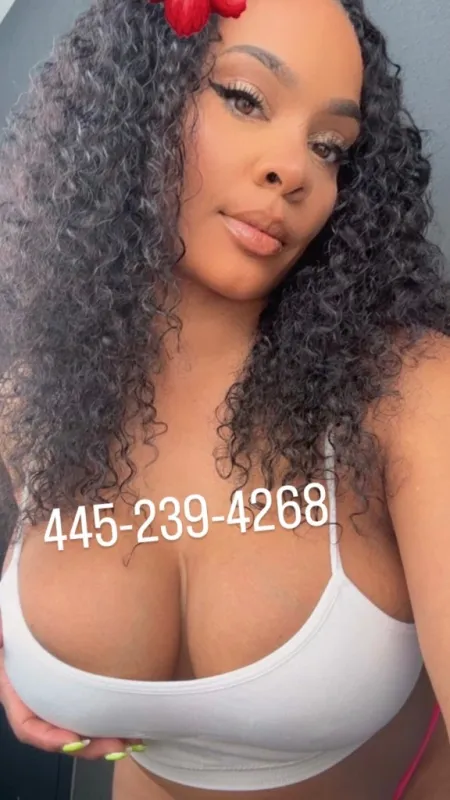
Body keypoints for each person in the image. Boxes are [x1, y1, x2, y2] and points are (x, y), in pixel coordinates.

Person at [0, 0, 450, 797]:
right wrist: (24, 649)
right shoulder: (30, 399)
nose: (294, 169)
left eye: (329, 147)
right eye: (245, 99)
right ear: (136, 103)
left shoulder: (407, 394)